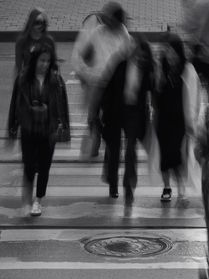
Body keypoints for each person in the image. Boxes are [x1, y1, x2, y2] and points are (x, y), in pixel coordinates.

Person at [7, 43, 66, 217]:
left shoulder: (55, 80)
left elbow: (62, 106)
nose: (45, 64)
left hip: (48, 130)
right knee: (29, 164)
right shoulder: (24, 78)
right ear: (35, 61)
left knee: (45, 166)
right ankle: (26, 198)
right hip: (29, 128)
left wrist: (62, 126)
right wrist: (13, 127)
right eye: (42, 60)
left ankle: (38, 200)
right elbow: (15, 105)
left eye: (48, 61)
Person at [71, 2, 132, 161]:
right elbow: (84, 54)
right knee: (93, 115)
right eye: (107, 18)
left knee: (112, 117)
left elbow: (128, 57)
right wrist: (85, 72)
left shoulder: (123, 33)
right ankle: (95, 140)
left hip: (115, 85)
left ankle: (109, 140)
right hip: (98, 82)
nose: (108, 21)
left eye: (112, 19)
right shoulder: (98, 32)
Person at [100, 34, 153, 208]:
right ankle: (113, 183)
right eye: (134, 49)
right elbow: (107, 88)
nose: (136, 54)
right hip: (116, 111)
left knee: (130, 148)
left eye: (140, 51)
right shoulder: (120, 63)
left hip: (134, 113)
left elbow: (152, 90)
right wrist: (102, 111)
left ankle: (128, 186)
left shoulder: (146, 68)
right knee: (114, 148)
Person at [152, 32, 189, 205]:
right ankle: (167, 187)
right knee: (165, 156)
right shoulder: (160, 70)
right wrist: (158, 75)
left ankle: (182, 188)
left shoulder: (187, 71)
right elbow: (155, 99)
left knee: (178, 154)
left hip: (180, 120)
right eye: (167, 51)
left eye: (173, 51)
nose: (170, 55)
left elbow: (193, 97)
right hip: (163, 119)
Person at [15, 8, 56, 75]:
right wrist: (17, 82)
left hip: (45, 79)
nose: (41, 25)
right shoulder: (22, 41)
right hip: (28, 78)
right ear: (31, 22)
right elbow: (18, 66)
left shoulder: (49, 40)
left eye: (43, 23)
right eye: (37, 22)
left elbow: (53, 64)